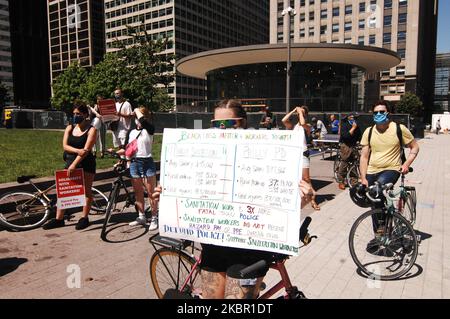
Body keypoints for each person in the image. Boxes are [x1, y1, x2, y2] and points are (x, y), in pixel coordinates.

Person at [152, 100, 313, 299]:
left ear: (243, 122)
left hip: (249, 251)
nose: (222, 130)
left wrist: (303, 198)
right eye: (216, 124)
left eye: (230, 124)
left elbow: (282, 197)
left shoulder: (267, 151)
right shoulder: (204, 153)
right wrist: (168, 195)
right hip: (214, 246)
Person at [43, 100, 97, 230]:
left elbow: (86, 150)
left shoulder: (92, 130)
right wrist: (77, 151)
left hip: (86, 163)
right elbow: (65, 146)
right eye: (74, 113)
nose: (75, 116)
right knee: (65, 191)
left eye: (78, 113)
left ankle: (84, 218)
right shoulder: (70, 127)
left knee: (86, 191)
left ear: (85, 114)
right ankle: (59, 219)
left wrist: (75, 164)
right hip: (70, 161)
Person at [359, 101, 420, 202]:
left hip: (391, 169)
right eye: (375, 112)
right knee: (372, 201)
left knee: (377, 189)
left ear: (389, 113)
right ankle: (382, 216)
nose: (378, 114)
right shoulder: (368, 131)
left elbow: (415, 147)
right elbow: (364, 157)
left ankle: (388, 214)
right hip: (371, 170)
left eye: (382, 112)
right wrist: (363, 178)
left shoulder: (399, 129)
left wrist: (406, 164)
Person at [116, 107, 158, 230]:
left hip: (146, 162)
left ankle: (154, 218)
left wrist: (136, 111)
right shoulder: (132, 132)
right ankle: (141, 216)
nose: (136, 119)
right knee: (138, 192)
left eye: (138, 117)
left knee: (151, 192)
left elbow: (144, 122)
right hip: (134, 162)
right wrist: (117, 153)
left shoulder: (149, 129)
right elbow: (127, 148)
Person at [282, 106, 321, 211]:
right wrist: (293, 111)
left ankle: (313, 200)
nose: (300, 114)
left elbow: (303, 123)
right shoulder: (294, 127)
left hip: (303, 154)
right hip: (295, 155)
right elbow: (284, 120)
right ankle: (301, 198)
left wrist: (300, 113)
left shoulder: (307, 126)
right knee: (296, 179)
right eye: (300, 113)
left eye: (303, 113)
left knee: (306, 179)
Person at [337, 112, 362, 190]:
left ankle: (354, 182)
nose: (354, 119)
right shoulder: (345, 125)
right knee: (345, 163)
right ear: (348, 118)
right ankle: (341, 181)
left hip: (353, 145)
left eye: (355, 118)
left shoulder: (356, 126)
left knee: (354, 163)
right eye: (353, 117)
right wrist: (353, 128)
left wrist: (359, 142)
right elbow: (345, 137)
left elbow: (359, 136)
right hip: (346, 146)